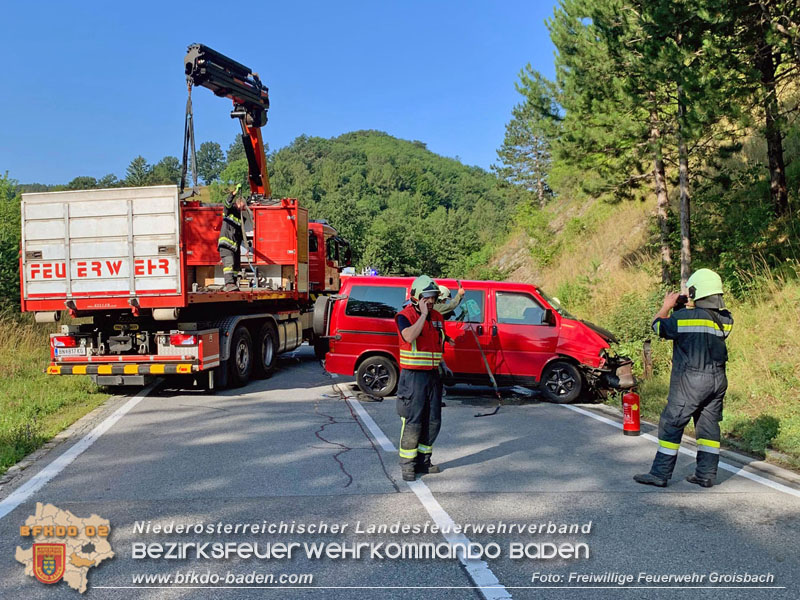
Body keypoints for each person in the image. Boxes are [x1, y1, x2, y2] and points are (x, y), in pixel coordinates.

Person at [634, 268, 734, 488]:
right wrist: (683, 307)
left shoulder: (682, 317)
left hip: (691, 381)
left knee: (672, 422)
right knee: (708, 427)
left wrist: (667, 306)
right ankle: (706, 475)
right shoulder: (726, 320)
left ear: (696, 292)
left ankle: (660, 474)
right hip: (717, 381)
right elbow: (700, 324)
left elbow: (658, 326)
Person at [395, 275, 447, 481]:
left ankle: (424, 460)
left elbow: (436, 344)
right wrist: (423, 316)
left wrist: (443, 364)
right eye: (427, 297)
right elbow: (408, 336)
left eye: (434, 297)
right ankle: (408, 464)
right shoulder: (404, 316)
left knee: (433, 420)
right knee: (413, 420)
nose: (431, 301)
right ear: (416, 297)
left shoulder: (438, 318)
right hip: (413, 377)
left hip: (433, 375)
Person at [218, 183, 246, 292]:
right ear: (238, 203)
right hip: (226, 244)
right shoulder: (229, 212)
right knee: (229, 264)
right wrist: (234, 193)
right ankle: (229, 284)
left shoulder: (241, 218)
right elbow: (227, 203)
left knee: (235, 267)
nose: (244, 208)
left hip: (234, 246)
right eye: (243, 206)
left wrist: (246, 247)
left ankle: (233, 283)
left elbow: (240, 234)